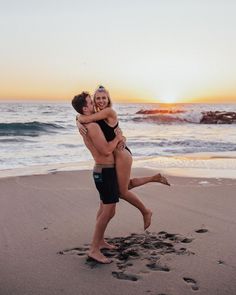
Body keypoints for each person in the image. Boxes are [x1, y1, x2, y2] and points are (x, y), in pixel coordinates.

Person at [77, 86, 170, 231]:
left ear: (108, 99)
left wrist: (78, 119)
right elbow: (87, 117)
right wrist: (78, 120)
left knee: (122, 192)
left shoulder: (109, 112)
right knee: (125, 186)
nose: (101, 101)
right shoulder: (98, 113)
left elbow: (85, 118)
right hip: (116, 154)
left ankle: (146, 211)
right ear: (94, 101)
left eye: (104, 98)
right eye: (98, 98)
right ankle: (154, 178)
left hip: (122, 155)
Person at [72, 92, 124, 264]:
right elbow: (107, 150)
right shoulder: (93, 127)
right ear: (85, 108)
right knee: (108, 211)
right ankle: (94, 249)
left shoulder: (87, 123)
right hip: (104, 171)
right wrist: (118, 137)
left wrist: (78, 119)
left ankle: (100, 241)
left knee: (106, 210)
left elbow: (80, 117)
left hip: (102, 171)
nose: (94, 104)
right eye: (90, 102)